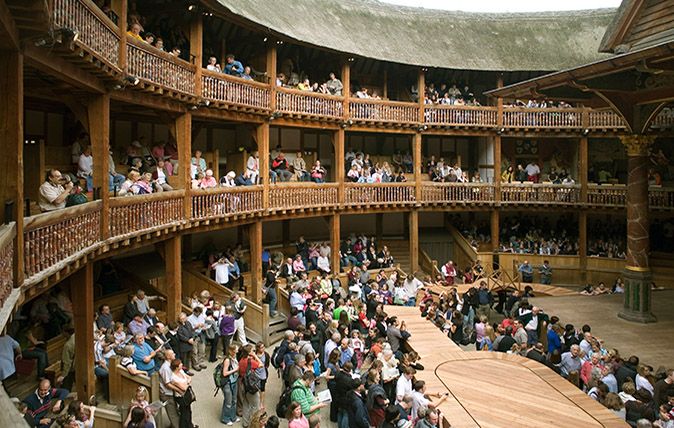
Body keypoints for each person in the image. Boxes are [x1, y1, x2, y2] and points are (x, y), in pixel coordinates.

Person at [239, 344, 262, 427]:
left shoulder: (241, 360)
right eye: (253, 351)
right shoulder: (250, 361)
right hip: (251, 386)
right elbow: (261, 364)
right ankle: (253, 424)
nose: (254, 352)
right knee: (255, 406)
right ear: (249, 353)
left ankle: (245, 423)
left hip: (243, 385)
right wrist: (255, 356)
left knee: (246, 404)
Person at [169, 358, 195, 428]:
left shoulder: (181, 371)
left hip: (186, 394)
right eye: (180, 364)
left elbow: (189, 377)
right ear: (177, 367)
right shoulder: (173, 377)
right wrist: (187, 382)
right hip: (181, 397)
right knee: (184, 414)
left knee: (189, 411)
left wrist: (186, 382)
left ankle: (190, 425)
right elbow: (183, 388)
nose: (182, 364)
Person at [220, 345, 240, 426]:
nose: (237, 352)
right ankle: (225, 418)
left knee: (234, 400)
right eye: (235, 351)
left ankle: (233, 416)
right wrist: (235, 370)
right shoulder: (227, 360)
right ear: (231, 351)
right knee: (228, 401)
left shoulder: (235, 358)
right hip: (227, 383)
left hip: (234, 382)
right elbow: (224, 373)